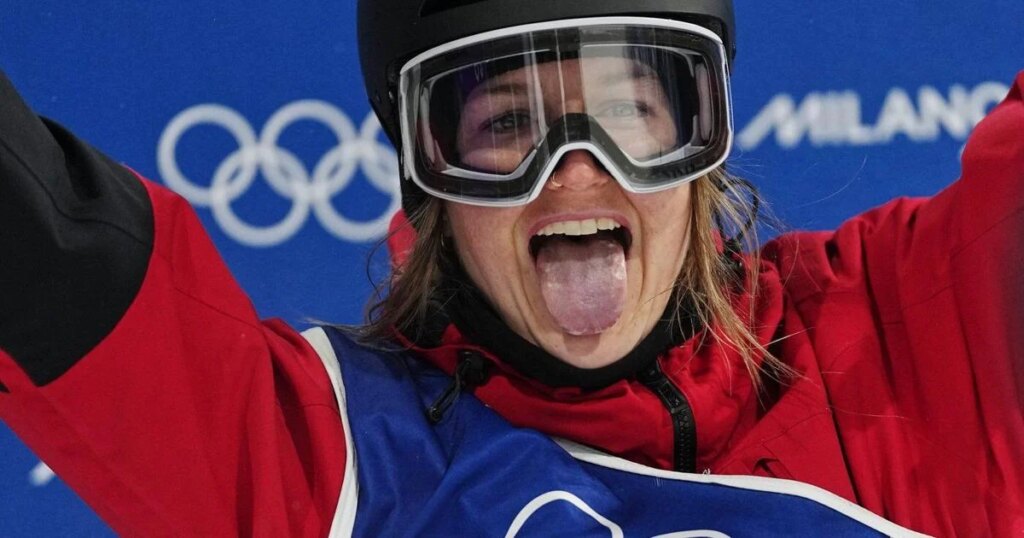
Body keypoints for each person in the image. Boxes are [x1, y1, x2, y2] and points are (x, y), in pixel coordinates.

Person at [1, 0, 1022, 535]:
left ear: (700, 137)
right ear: (429, 177)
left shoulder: (927, 335)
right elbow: (44, 255)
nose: (574, 171)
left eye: (629, 108)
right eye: (502, 126)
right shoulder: (331, 472)